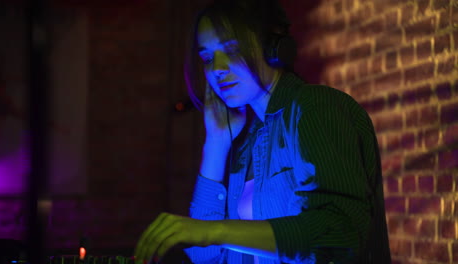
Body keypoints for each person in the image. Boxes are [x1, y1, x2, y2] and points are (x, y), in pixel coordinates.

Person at [134, 0, 391, 263]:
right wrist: (216, 144)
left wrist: (213, 231)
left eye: (232, 50)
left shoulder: (315, 107)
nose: (217, 69)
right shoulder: (248, 139)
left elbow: (338, 234)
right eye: (207, 58)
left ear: (274, 48)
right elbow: (205, 254)